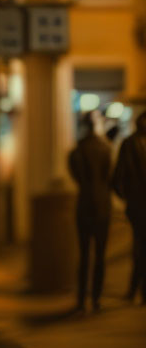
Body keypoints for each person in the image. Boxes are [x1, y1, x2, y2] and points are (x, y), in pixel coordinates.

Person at [68, 111, 112, 313]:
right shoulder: (106, 148)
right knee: (100, 255)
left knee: (84, 254)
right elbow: (109, 176)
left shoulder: (78, 150)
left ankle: (80, 300)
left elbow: (75, 174)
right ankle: (96, 299)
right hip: (103, 204)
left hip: (84, 204)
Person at [113, 112, 146, 304]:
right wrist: (128, 198)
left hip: (136, 204)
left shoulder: (130, 143)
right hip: (137, 205)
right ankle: (136, 288)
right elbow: (118, 177)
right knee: (139, 247)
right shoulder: (129, 144)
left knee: (139, 247)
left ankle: (136, 289)